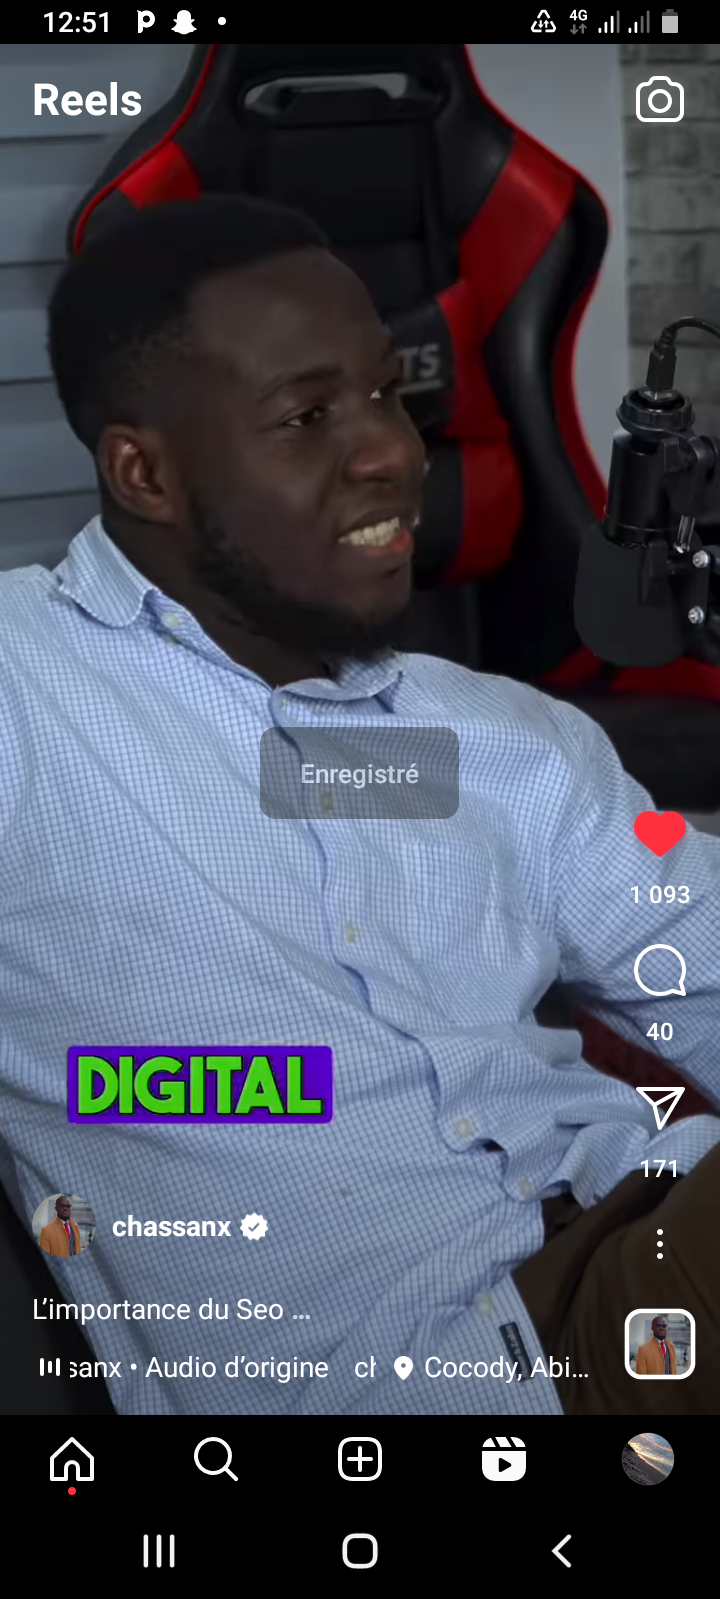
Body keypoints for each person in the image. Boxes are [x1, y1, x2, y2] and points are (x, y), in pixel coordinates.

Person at [0, 193, 718, 1418]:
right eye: (308, 416)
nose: (393, 449)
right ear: (144, 472)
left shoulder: (502, 739)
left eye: (390, 393)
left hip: (641, 1246)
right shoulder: (29, 690)